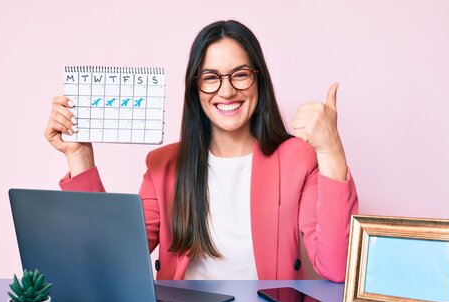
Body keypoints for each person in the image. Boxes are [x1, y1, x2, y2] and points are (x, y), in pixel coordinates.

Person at [45, 20, 359, 282]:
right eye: (210, 78)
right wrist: (79, 157)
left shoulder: (297, 158)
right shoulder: (163, 165)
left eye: (240, 74)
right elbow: (109, 259)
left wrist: (331, 149)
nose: (226, 90)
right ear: (195, 90)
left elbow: (337, 267)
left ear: (259, 81)